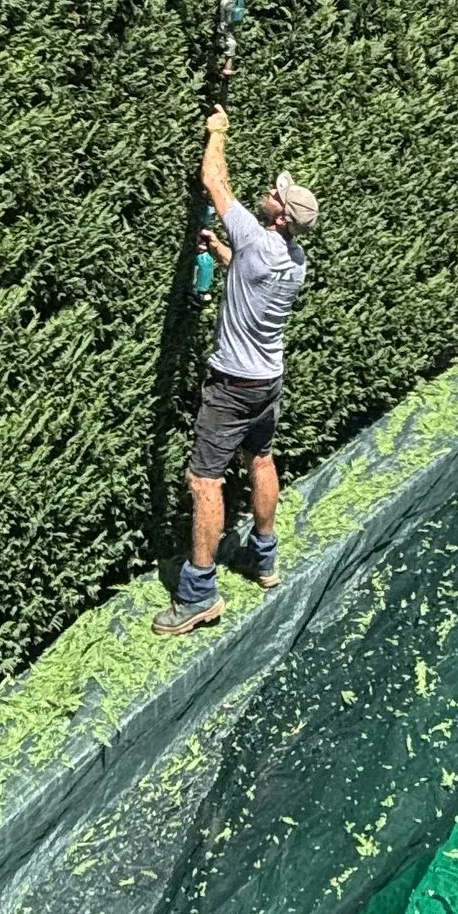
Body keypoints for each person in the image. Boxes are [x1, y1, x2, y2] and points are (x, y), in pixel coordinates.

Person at [155, 108, 318, 633]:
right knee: (262, 457)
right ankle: (263, 559)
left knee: (204, 481)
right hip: (268, 380)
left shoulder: (254, 231)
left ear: (276, 216)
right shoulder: (293, 260)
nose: (270, 192)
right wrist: (223, 251)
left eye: (275, 194)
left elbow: (213, 179)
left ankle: (198, 593)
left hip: (231, 385)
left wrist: (218, 130)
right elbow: (250, 276)